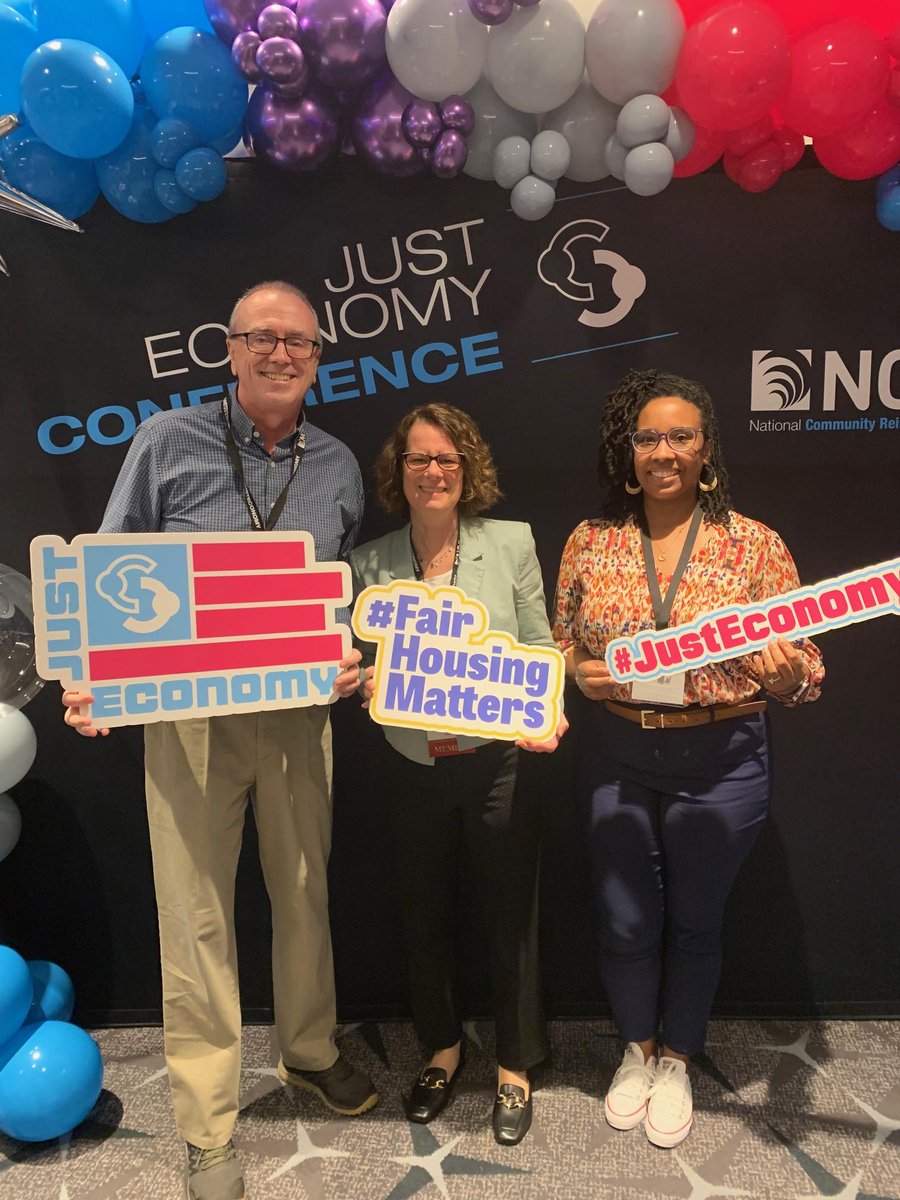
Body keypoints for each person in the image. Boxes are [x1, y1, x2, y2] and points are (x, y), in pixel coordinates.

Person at [62, 282, 377, 1200]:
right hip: (190, 722)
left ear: (319, 358)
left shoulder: (340, 465)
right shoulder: (168, 441)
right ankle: (207, 1124)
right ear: (231, 351)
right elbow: (106, 568)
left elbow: (339, 591)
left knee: (306, 893)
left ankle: (310, 1051)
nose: (282, 355)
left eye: (300, 343)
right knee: (195, 917)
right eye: (263, 340)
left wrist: (348, 655)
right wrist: (91, 679)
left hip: (298, 717)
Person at [552, 369, 824, 1150]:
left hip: (723, 755)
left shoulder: (756, 544)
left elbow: (806, 669)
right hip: (616, 750)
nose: (663, 451)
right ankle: (635, 1049)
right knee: (624, 918)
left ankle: (677, 1057)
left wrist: (786, 675)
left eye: (681, 436)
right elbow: (558, 638)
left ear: (706, 449)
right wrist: (573, 668)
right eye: (647, 438)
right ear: (626, 452)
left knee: (697, 922)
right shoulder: (590, 541)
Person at [334, 402, 566, 1147]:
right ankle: (441, 1047)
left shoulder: (511, 543)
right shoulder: (369, 564)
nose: (432, 472)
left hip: (498, 763)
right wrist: (362, 680)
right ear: (397, 473)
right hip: (410, 764)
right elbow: (354, 662)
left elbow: (539, 644)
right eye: (418, 460)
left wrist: (547, 706)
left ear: (468, 472)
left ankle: (515, 1062)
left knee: (510, 914)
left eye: (447, 460)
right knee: (421, 911)